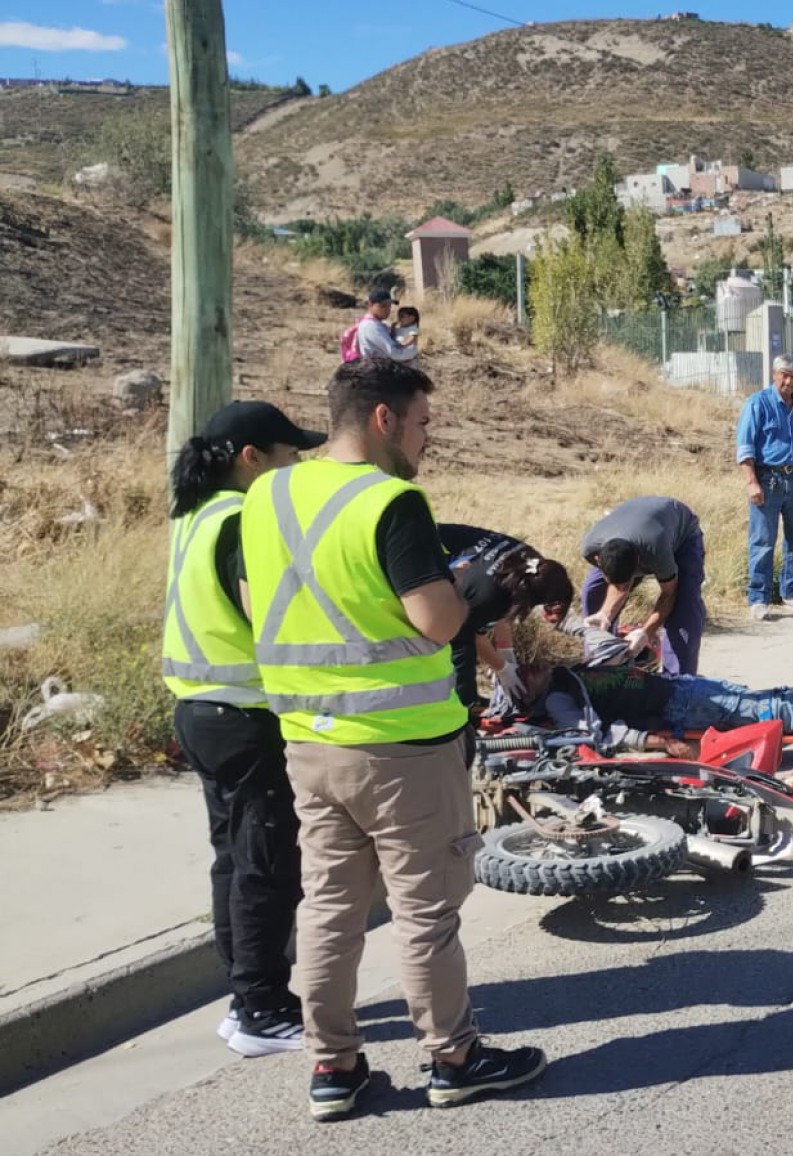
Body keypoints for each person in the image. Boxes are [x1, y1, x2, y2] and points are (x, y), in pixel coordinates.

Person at [241, 359, 545, 1120]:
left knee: (330, 909)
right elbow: (439, 623)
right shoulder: (393, 501)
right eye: (422, 422)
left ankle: (333, 1068)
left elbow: (254, 599)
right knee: (425, 912)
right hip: (404, 746)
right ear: (383, 420)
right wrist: (480, 595)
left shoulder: (266, 493)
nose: (427, 437)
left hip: (308, 742)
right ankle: (455, 1057)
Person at [162, 400, 327, 1059]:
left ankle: (245, 1000)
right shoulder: (243, 519)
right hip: (245, 717)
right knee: (267, 863)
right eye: (288, 456)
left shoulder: (196, 515)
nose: (294, 468)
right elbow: (270, 618)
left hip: (201, 712)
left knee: (234, 858)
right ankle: (262, 1007)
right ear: (251, 458)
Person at [503, 661, 793, 753]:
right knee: (775, 709)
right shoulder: (559, 700)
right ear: (526, 699)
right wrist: (659, 742)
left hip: (680, 686)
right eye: (522, 677)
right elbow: (592, 734)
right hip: (679, 704)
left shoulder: (566, 675)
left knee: (778, 698)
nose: (527, 668)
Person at [437, 524, 575, 713]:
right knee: (460, 646)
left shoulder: (533, 565)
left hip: (437, 537)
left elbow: (504, 611)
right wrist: (502, 669)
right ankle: (465, 710)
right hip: (420, 550)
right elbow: (473, 635)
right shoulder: (490, 596)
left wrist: (506, 653)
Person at [577, 496, 707, 675]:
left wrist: (645, 632)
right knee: (593, 593)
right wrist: (605, 614)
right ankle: (602, 665)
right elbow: (620, 585)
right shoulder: (590, 548)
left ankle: (678, 683)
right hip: (630, 529)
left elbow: (669, 594)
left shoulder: (656, 551)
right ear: (598, 559)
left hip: (681, 533)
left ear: (638, 561)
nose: (623, 586)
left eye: (628, 579)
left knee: (685, 607)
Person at [737, 353, 793, 620]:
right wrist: (752, 481)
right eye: (784, 374)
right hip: (768, 479)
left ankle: (792, 593)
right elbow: (746, 446)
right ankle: (759, 598)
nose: (788, 381)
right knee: (762, 540)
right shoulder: (757, 403)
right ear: (774, 375)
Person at [343, 287, 417, 364]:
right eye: (382, 306)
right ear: (370, 305)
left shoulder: (376, 324)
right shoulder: (371, 326)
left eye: (389, 306)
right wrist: (413, 352)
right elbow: (394, 353)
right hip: (378, 372)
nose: (387, 309)